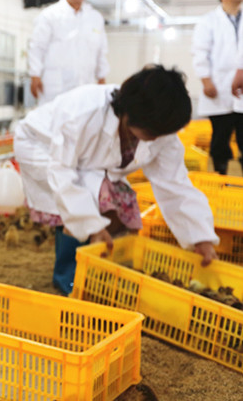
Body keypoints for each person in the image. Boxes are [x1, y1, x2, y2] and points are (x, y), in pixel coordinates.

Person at [14, 65, 219, 295]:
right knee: (86, 201)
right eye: (153, 132)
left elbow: (175, 184)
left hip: (85, 161)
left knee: (113, 204)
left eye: (161, 133)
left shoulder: (160, 129)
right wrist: (91, 226)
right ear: (131, 115)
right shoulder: (84, 112)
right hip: (40, 145)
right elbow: (61, 171)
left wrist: (200, 237)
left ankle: (94, 266)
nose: (157, 139)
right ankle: (68, 276)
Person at [28, 0, 109, 105]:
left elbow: (101, 50)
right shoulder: (49, 15)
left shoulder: (95, 18)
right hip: (55, 86)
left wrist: (102, 77)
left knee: (84, 115)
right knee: (52, 116)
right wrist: (34, 75)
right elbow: (37, 47)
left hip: (85, 85)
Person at [191, 0, 243, 175]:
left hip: (241, 87)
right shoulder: (208, 21)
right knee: (220, 137)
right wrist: (206, 81)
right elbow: (200, 52)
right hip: (218, 87)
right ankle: (221, 177)